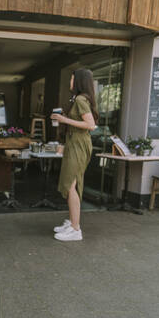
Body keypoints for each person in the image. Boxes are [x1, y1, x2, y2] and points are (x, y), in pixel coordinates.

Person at [51, 68, 98, 241]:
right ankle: (72, 222)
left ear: (78, 81)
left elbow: (90, 125)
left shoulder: (80, 99)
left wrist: (64, 120)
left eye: (71, 79)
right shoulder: (80, 99)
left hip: (79, 144)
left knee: (71, 184)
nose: (70, 82)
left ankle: (75, 229)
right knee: (72, 183)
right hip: (75, 143)